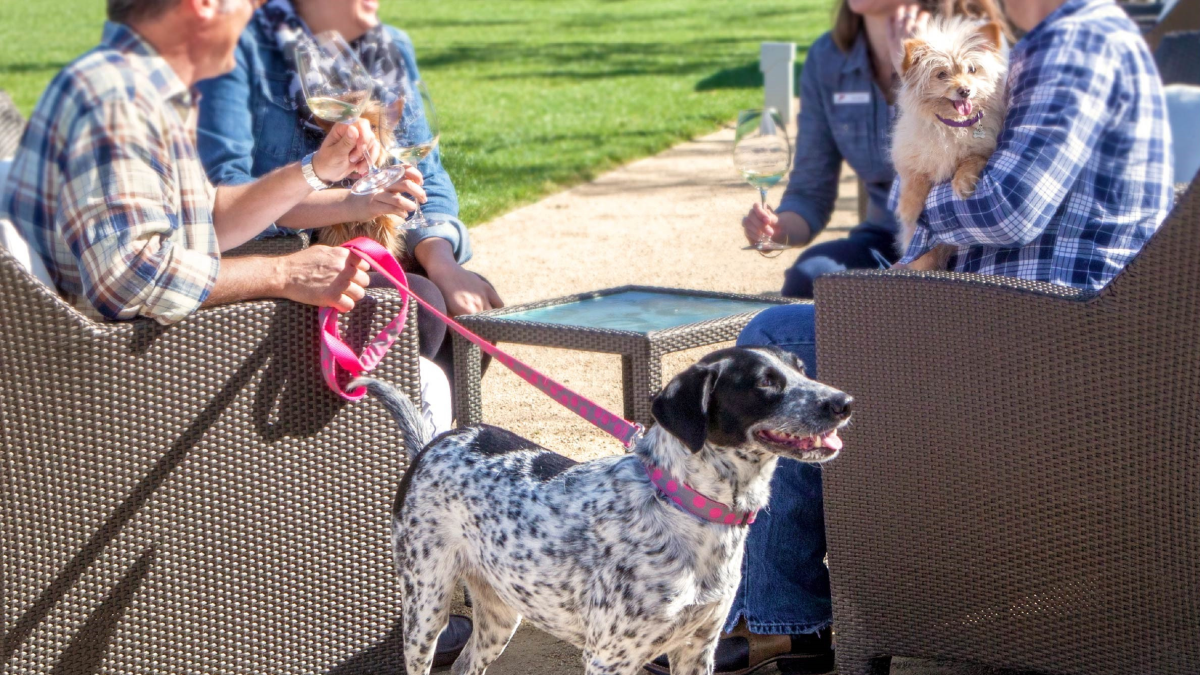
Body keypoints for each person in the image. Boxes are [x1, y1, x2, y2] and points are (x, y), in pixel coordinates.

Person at [718, 0, 1173, 673]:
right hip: (1031, 319)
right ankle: (769, 613)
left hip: (1031, 336)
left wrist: (921, 198)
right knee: (805, 318)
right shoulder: (1069, 38)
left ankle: (779, 617)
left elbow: (1010, 203)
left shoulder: (1075, 42)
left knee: (777, 342)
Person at [1, 0, 383, 327]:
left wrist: (317, 170)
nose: (254, 17)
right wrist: (283, 272)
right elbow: (132, 278)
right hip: (130, 372)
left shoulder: (140, 88)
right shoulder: (118, 103)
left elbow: (208, 220)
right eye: (250, 5)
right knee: (398, 329)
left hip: (149, 353)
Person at [195, 0, 501, 384]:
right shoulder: (237, 50)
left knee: (466, 317)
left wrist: (443, 262)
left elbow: (428, 175)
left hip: (372, 247)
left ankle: (417, 438)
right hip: (273, 258)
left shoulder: (387, 47)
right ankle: (382, 438)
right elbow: (226, 203)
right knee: (417, 307)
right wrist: (353, 204)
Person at [739, 0, 1005, 300]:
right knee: (809, 277)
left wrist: (908, 75)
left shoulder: (972, 46)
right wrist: (777, 229)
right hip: (884, 232)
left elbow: (989, 148)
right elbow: (810, 189)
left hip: (965, 233)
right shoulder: (827, 58)